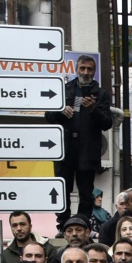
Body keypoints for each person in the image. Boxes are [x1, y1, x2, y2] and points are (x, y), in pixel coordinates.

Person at [48, 55, 112, 219]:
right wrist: (60, 110)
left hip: (87, 149)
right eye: (82, 68)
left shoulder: (102, 94)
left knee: (86, 190)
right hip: (65, 148)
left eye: (89, 69)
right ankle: (63, 224)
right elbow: (48, 116)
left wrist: (93, 109)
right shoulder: (64, 89)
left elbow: (107, 123)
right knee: (63, 188)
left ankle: (83, 223)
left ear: (94, 71)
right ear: (76, 69)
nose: (85, 72)